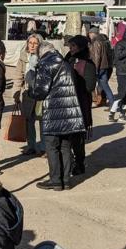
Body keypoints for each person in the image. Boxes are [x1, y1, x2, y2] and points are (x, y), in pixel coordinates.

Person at [27, 41, 85, 191]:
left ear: (41, 53)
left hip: (54, 111)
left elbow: (41, 91)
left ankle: (55, 180)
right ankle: (66, 180)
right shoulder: (65, 63)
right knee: (65, 146)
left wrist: (30, 89)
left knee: (51, 146)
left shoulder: (47, 64)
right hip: (69, 112)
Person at [63, 35, 97, 176]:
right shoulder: (66, 60)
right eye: (70, 46)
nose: (71, 49)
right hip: (65, 102)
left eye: (74, 46)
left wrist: (75, 80)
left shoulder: (88, 64)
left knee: (77, 137)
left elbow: (90, 86)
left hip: (79, 103)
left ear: (81, 47)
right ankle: (67, 162)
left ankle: (79, 163)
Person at [13, 33, 45, 156]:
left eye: (35, 43)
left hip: (41, 94)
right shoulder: (23, 56)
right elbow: (18, 76)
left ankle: (43, 147)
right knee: (28, 121)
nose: (32, 46)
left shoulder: (43, 57)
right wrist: (16, 93)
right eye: (30, 43)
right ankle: (31, 145)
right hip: (27, 93)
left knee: (42, 120)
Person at [88, 27, 114, 108]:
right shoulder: (104, 41)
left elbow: (96, 57)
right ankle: (112, 103)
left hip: (99, 67)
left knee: (90, 85)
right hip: (105, 66)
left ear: (92, 34)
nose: (89, 36)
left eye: (90, 34)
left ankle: (93, 101)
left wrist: (95, 69)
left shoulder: (96, 42)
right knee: (105, 86)